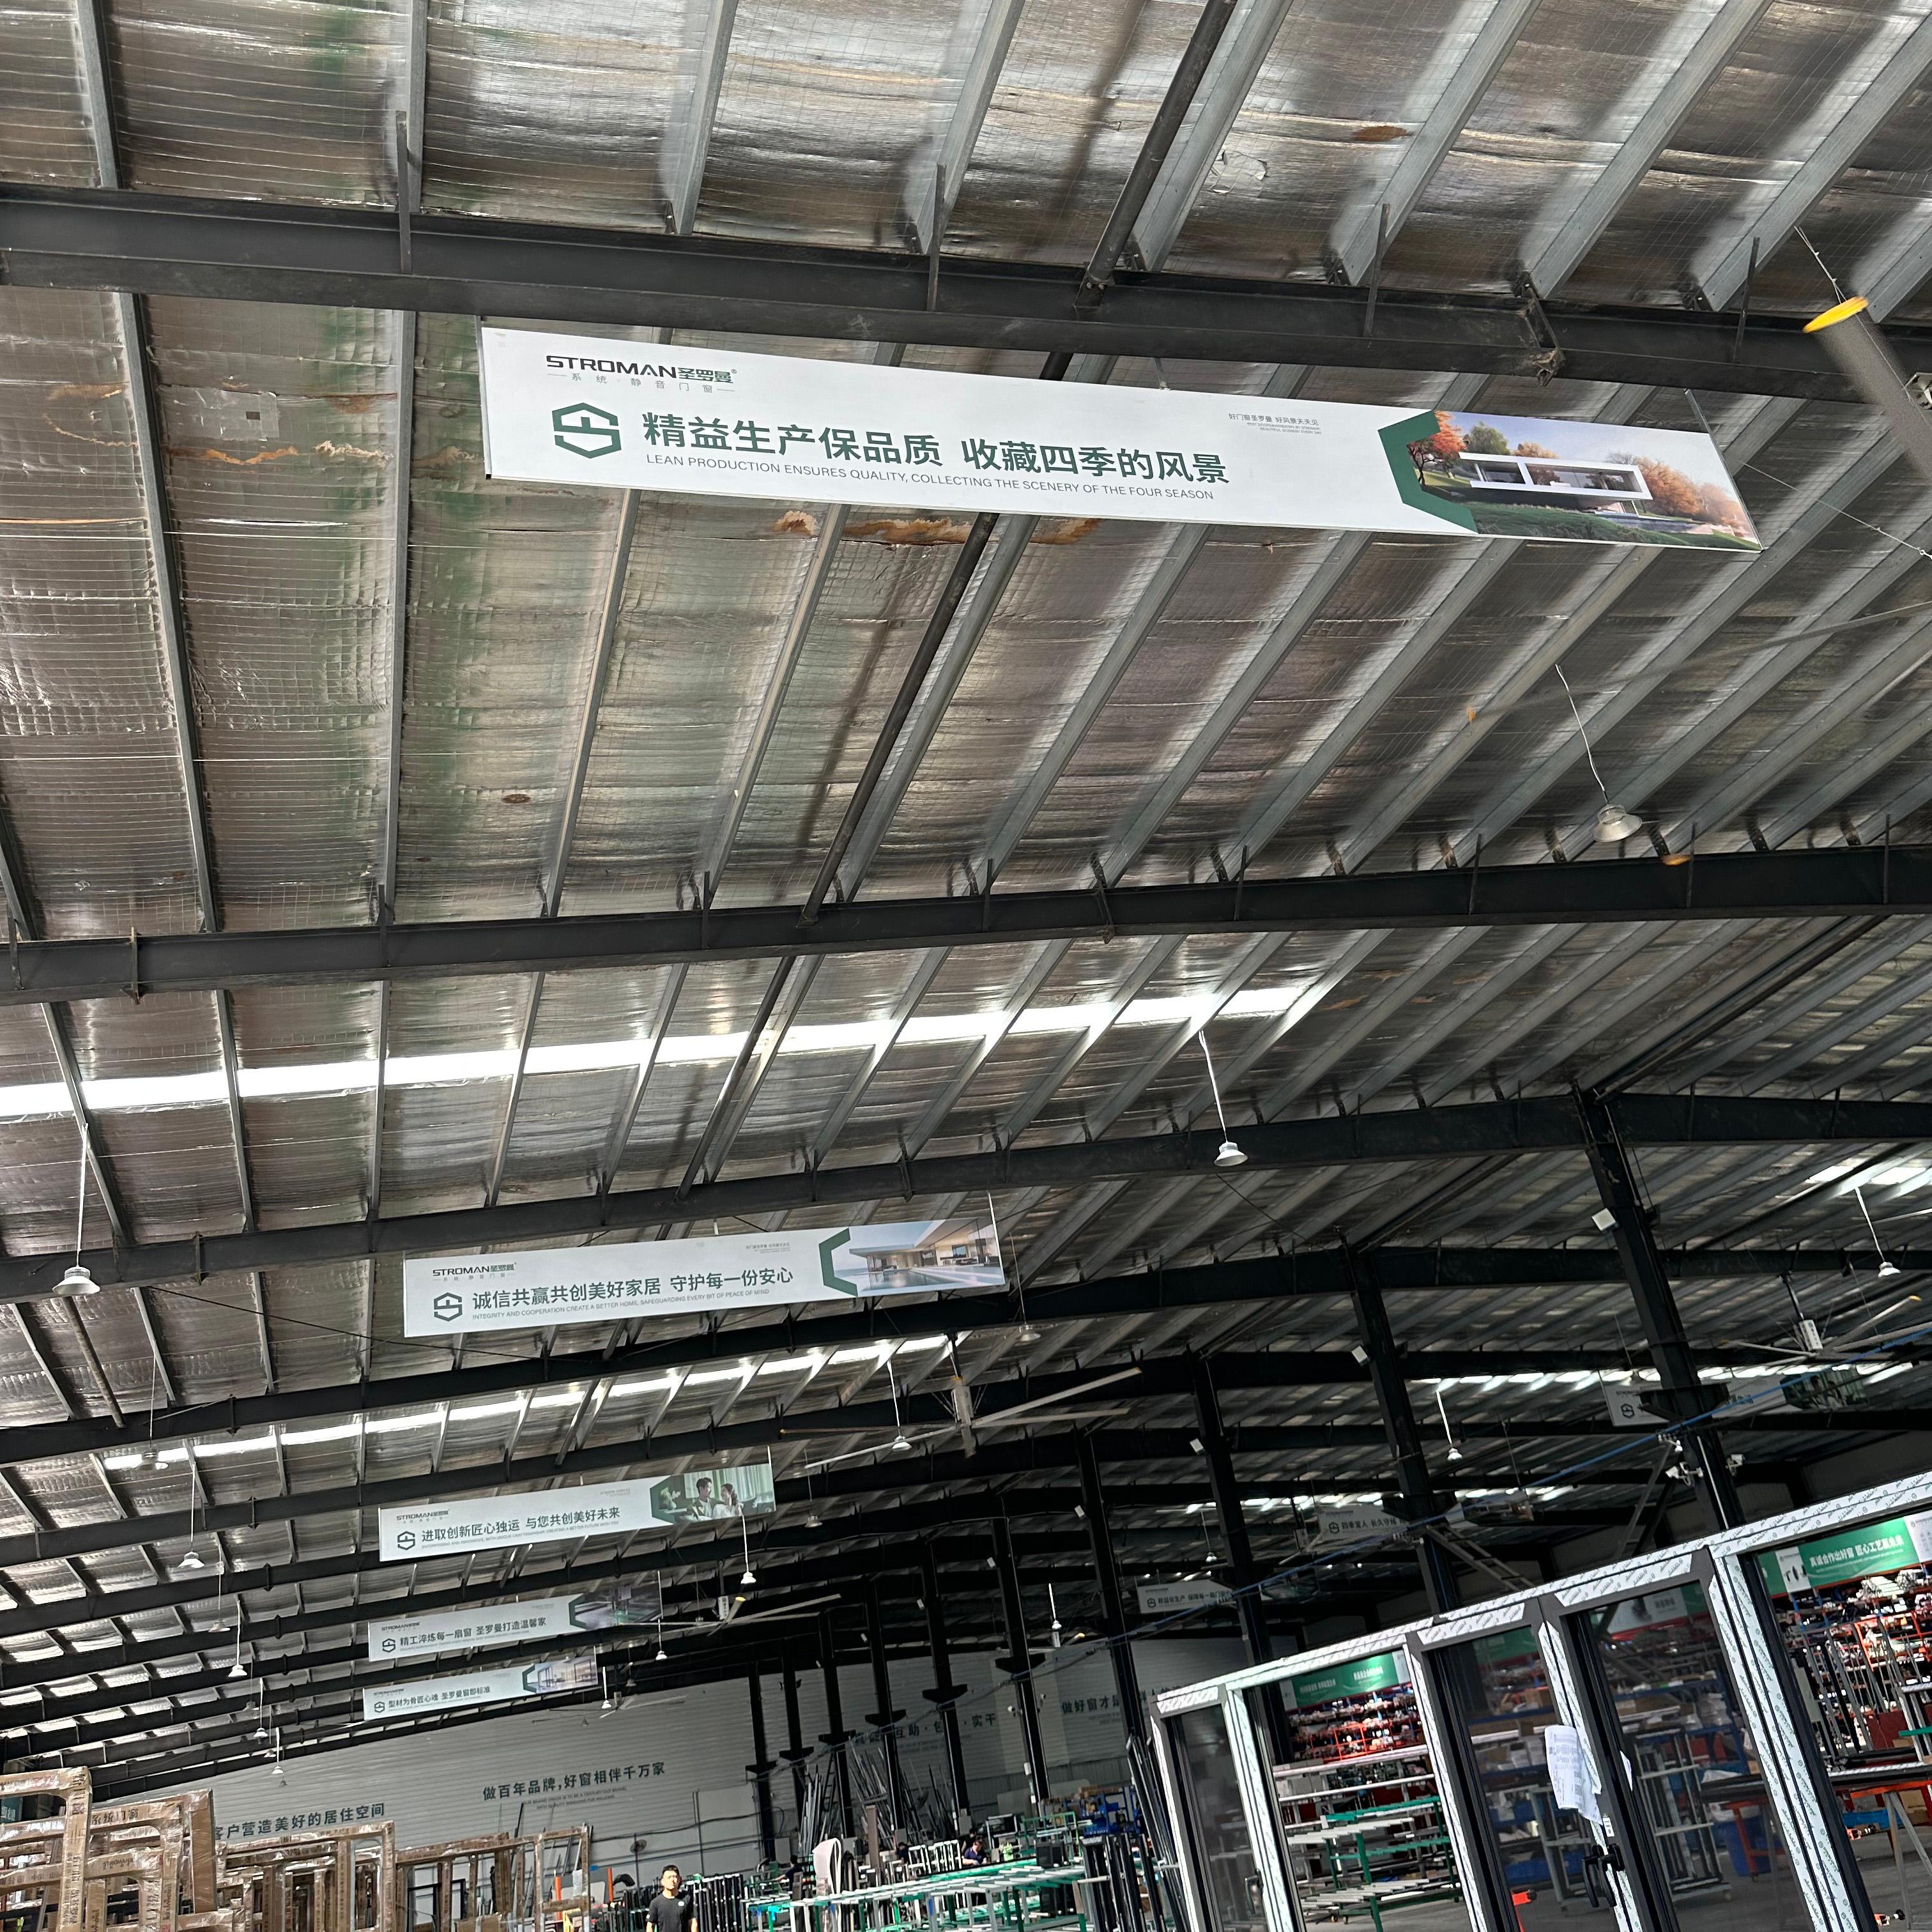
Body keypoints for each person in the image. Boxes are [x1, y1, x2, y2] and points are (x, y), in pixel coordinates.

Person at [645, 1867, 692, 1932]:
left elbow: (692, 1922)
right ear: (662, 1881)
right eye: (669, 1877)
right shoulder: (655, 1903)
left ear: (679, 1880)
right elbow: (650, 1926)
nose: (672, 1880)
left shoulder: (686, 1899)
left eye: (675, 1877)